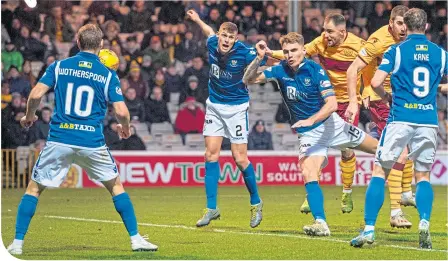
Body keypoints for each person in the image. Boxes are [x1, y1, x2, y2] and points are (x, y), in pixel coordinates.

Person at [6, 24, 158, 255]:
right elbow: (123, 112)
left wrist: (29, 117)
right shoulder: (108, 74)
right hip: (92, 141)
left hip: (60, 138)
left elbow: (36, 94)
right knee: (116, 186)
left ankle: (17, 244)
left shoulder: (59, 66)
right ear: (101, 46)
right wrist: (124, 128)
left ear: (77, 42)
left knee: (34, 189)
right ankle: (136, 239)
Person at [243, 33, 378, 236]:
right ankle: (321, 223)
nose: (289, 55)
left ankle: (407, 186)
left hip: (332, 126)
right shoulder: (279, 70)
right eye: (286, 52)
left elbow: (332, 105)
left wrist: (310, 120)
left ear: (304, 50)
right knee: (308, 172)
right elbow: (248, 79)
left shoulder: (316, 70)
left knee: (381, 149)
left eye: (294, 50)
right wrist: (259, 58)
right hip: (310, 135)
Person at [351, 8, 447, 249]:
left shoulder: (396, 50)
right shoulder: (440, 54)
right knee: (423, 176)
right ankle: (424, 223)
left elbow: (374, 82)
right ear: (426, 27)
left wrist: (386, 97)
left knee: (379, 171)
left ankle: (370, 229)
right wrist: (434, 90)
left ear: (408, 26)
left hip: (400, 117)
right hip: (427, 120)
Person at [186, 9, 275, 228]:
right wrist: (197, 19)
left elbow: (263, 65)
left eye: (230, 38)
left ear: (236, 39)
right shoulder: (211, 42)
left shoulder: (244, 52)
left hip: (236, 108)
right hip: (214, 107)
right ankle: (211, 208)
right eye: (223, 36)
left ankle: (256, 203)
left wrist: (266, 56)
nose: (226, 40)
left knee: (240, 158)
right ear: (219, 35)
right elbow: (207, 30)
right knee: (210, 155)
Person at [345, 5, 415, 228]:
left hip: (398, 98)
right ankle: (397, 209)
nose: (403, 28)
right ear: (391, 23)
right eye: (399, 23)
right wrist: (355, 100)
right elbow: (352, 69)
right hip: (379, 99)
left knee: (402, 152)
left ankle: (403, 195)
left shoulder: (410, 40)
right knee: (400, 153)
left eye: (406, 24)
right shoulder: (378, 41)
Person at [301, 13, 368, 214]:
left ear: (342, 31)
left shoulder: (359, 45)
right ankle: (311, 192)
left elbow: (371, 67)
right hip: (326, 100)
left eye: (329, 30)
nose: (325, 34)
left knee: (346, 150)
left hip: (348, 102)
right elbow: (298, 53)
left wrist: (366, 93)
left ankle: (347, 192)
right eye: (324, 30)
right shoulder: (320, 42)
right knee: (316, 146)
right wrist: (271, 53)